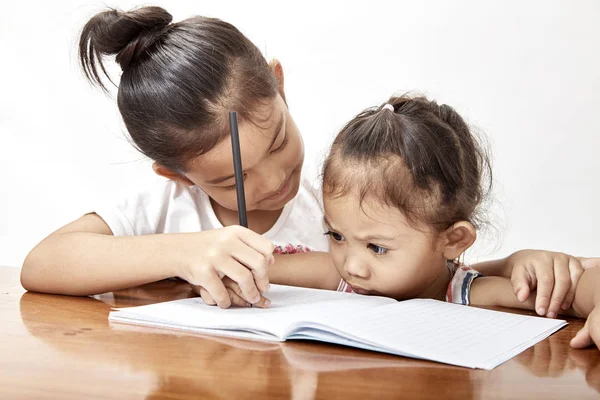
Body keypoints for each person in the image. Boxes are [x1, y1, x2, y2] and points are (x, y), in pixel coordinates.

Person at [20, 6, 584, 318]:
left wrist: (513, 263)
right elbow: (43, 264)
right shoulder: (164, 205)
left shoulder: (344, 200)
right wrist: (183, 251)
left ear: (281, 89)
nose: (273, 181)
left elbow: (440, 282)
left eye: (276, 144)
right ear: (175, 174)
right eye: (229, 179)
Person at [203, 94, 600, 349]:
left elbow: (580, 283)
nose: (352, 264)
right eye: (336, 235)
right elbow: (240, 269)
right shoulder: (336, 276)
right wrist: (234, 278)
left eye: (377, 247)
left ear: (453, 239)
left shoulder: (466, 294)